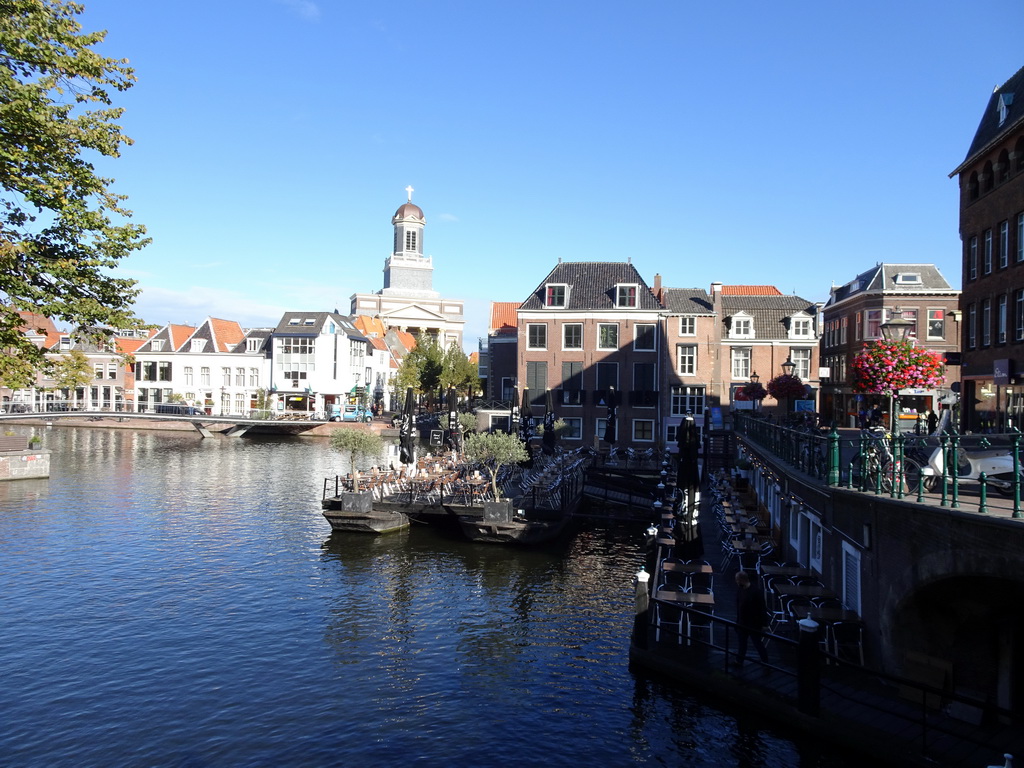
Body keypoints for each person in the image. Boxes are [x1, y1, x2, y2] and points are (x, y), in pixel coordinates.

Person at [734, 570, 769, 666]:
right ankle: (739, 661)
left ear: (741, 580)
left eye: (737, 580)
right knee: (742, 643)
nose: (736, 582)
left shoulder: (756, 592)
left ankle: (766, 663)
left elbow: (762, 608)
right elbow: (739, 606)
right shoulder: (741, 590)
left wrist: (764, 624)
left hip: (754, 623)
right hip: (743, 622)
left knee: (757, 643)